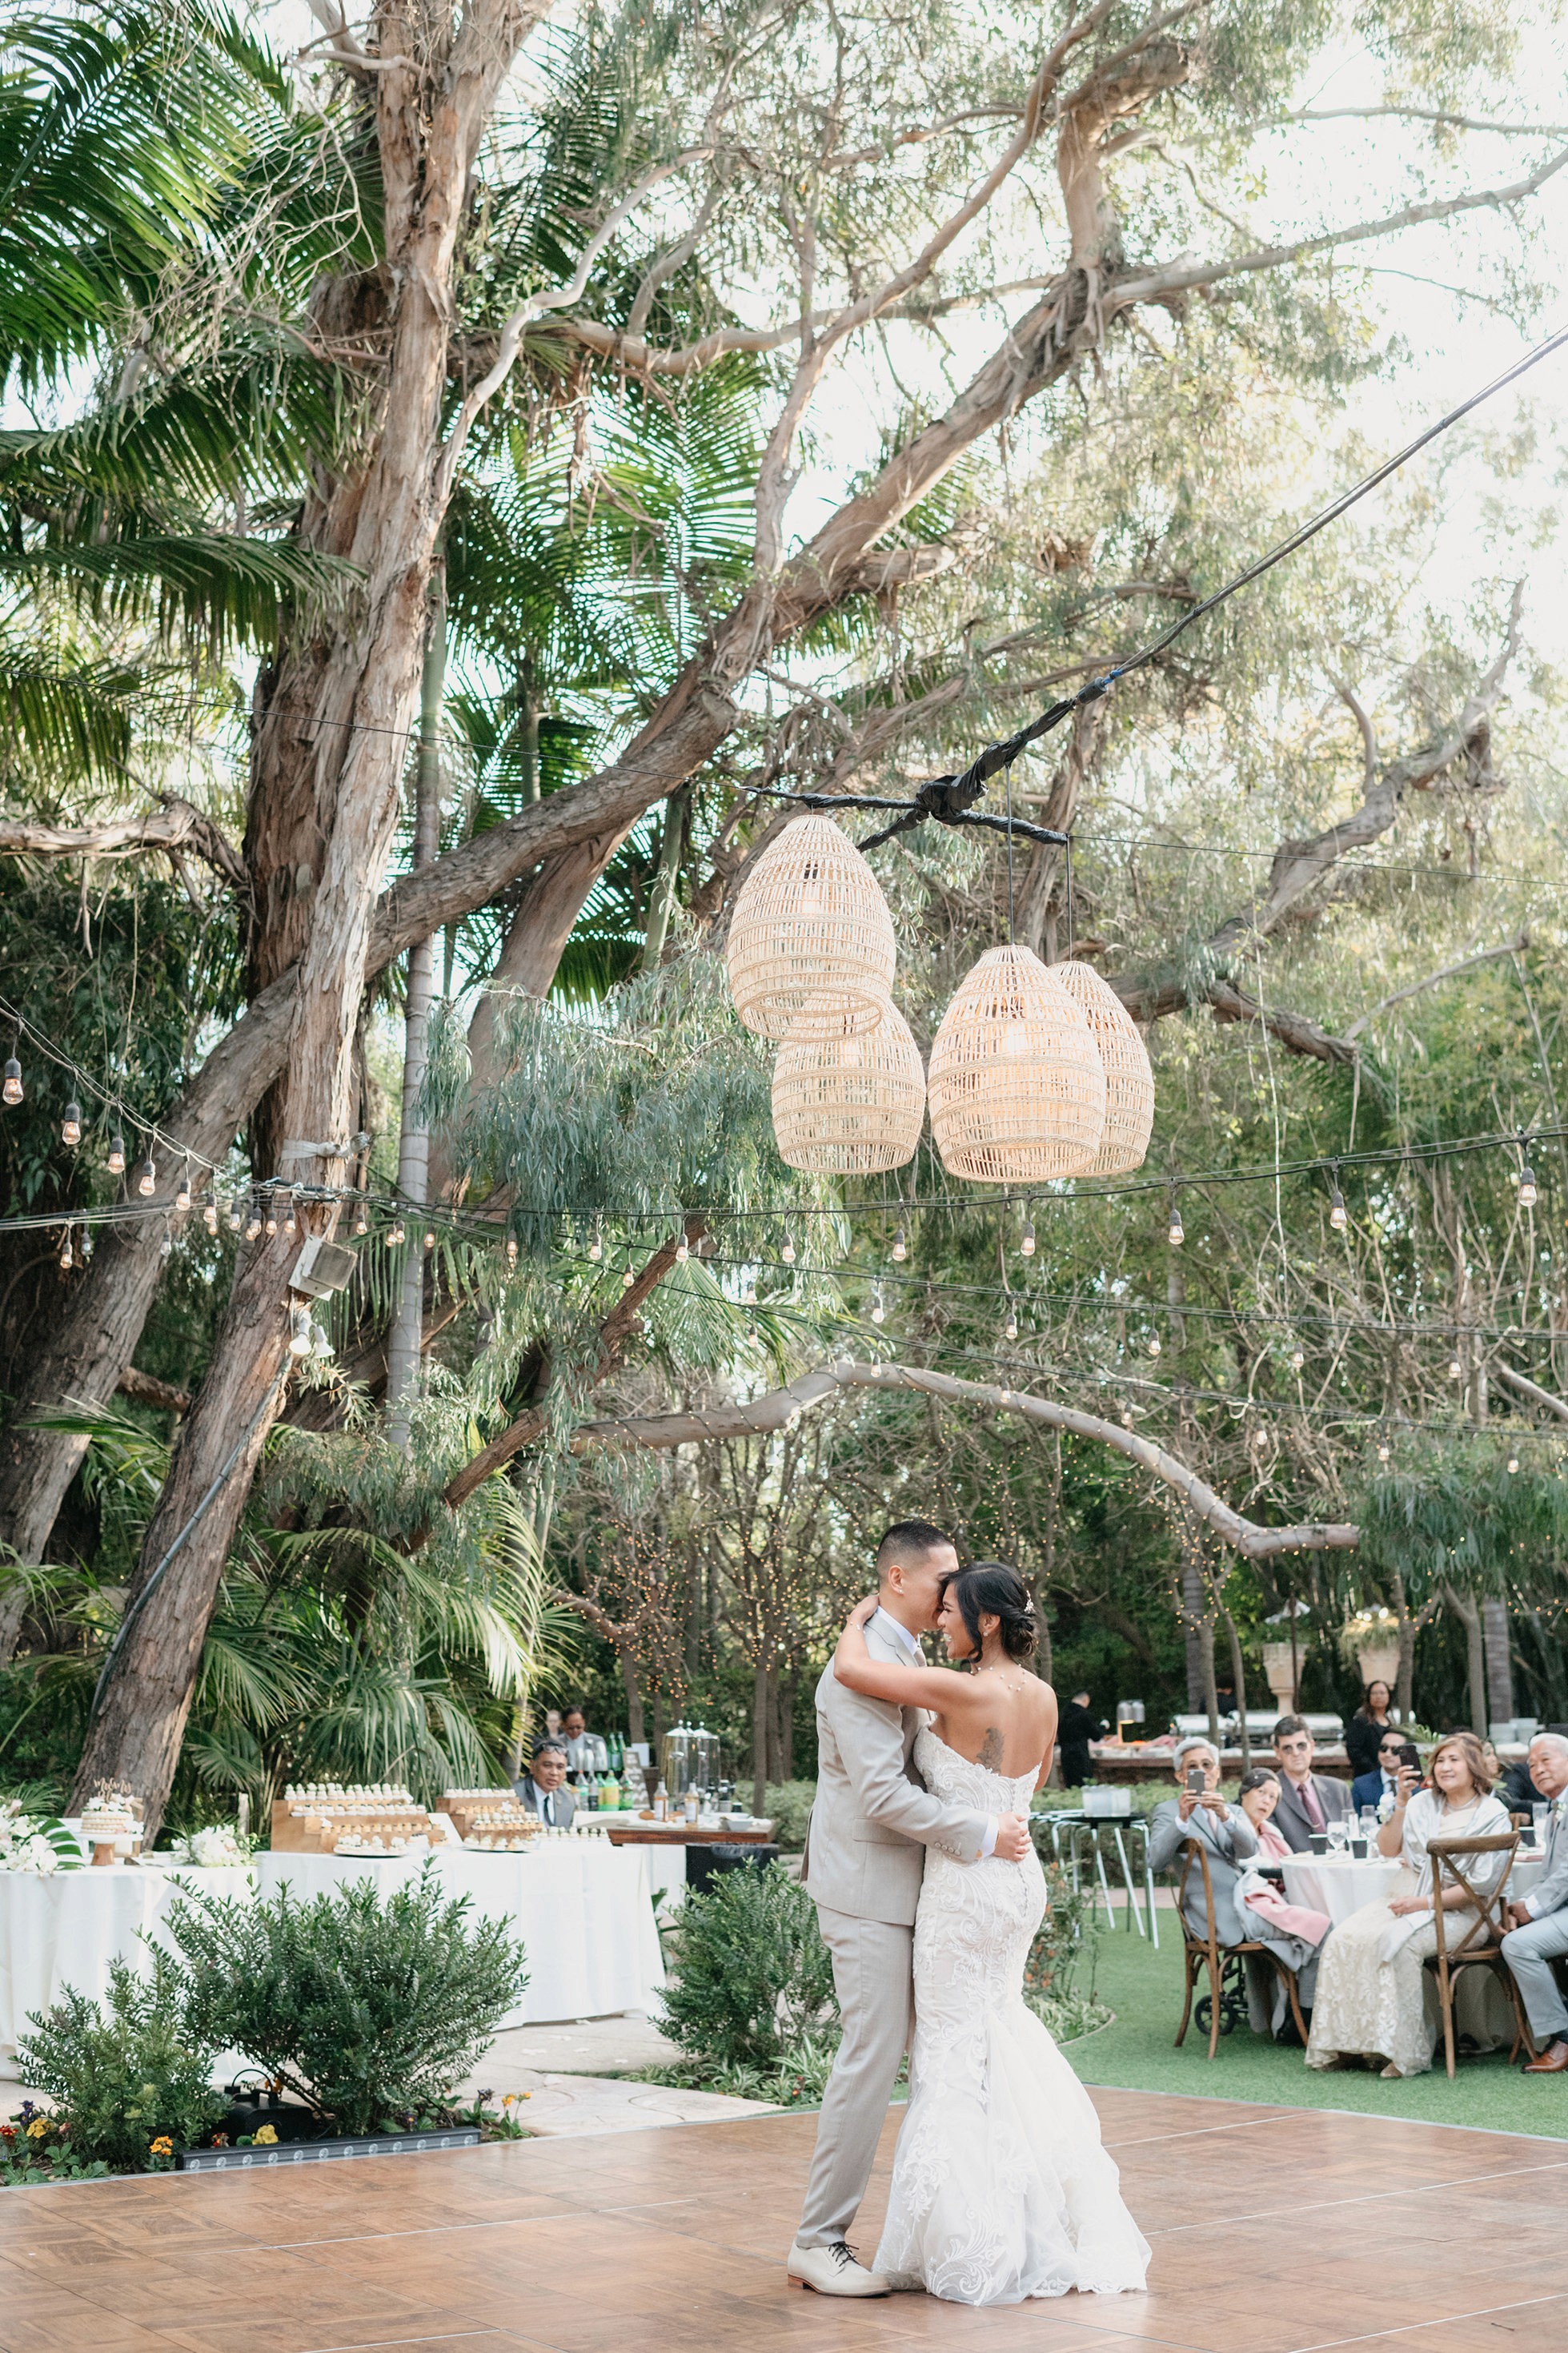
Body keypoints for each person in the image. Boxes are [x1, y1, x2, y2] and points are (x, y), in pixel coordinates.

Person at [817, 1560, 1149, 2306]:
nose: (940, 1619)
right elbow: (1019, 1787)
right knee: (999, 2032)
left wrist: (859, 1612)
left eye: (952, 1609)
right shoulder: (1042, 1695)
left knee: (952, 2056)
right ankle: (1038, 2222)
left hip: (964, 1887)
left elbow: (850, 1668)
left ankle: (975, 2242)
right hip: (1015, 1879)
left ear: (987, 1621)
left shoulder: (963, 1689)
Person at [788, 1524, 1035, 2300]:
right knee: (873, 2053)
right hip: (866, 1885)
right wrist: (982, 1831)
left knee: (945, 2055)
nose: (954, 1592)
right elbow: (882, 1794)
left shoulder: (907, 1657)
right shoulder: (853, 1672)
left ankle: (959, 2223)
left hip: (924, 1889)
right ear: (900, 1576)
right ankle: (817, 2240)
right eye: (944, 1577)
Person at [1305, 1731, 1511, 2078]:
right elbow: (1387, 1848)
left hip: (1464, 1914)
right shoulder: (1421, 1803)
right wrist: (1402, 1800)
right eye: (1440, 1760)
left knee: (1401, 1946)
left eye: (1454, 1760)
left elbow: (1480, 1888)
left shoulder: (1493, 1814)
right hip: (1406, 1893)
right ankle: (1352, 2044)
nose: (1445, 1767)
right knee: (1344, 1938)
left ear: (1474, 1767)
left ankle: (1407, 2054)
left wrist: (1423, 1903)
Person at [1232, 1767, 1332, 2027]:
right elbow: (1247, 1862)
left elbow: (1287, 1863)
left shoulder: (1269, 1831)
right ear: (1244, 1793)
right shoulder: (1233, 1823)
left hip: (1274, 1901)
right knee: (1323, 1929)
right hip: (1253, 1904)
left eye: (1274, 1797)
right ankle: (1304, 2016)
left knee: (1328, 1919)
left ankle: (1301, 2010)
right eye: (1261, 1792)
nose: (1267, 1800)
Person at [1500, 1732, 1568, 2071]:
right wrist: (1522, 1904)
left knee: (1517, 1945)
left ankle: (1564, 2038)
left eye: (1546, 1760)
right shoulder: (1557, 1809)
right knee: (1513, 1935)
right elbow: (1549, 1874)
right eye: (1531, 1765)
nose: (1538, 1770)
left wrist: (1533, 1909)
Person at [1269, 1715, 1353, 1850]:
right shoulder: (1269, 1793)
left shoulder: (1339, 1790)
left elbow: (1353, 1838)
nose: (1296, 1753)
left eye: (1301, 1746)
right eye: (1287, 1748)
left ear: (1312, 1746)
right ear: (1277, 1752)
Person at [515, 1738, 576, 1828]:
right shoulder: (515, 1797)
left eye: (560, 1767)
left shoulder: (567, 1801)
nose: (554, 1773)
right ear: (532, 1766)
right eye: (547, 1765)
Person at [1351, 1729, 1410, 1818]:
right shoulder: (1361, 1785)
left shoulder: (1415, 1785)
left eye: (1395, 1750)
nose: (1388, 1754)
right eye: (1383, 1748)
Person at [1345, 1681, 1396, 1779]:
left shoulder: (1391, 1722)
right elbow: (1354, 1750)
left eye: (1382, 1693)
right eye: (1374, 1693)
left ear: (1389, 1696)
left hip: (1390, 1776)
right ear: (1369, 1697)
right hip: (1368, 1775)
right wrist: (1375, 1770)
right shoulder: (1360, 1721)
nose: (1378, 1696)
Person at [1057, 1690, 1105, 1789]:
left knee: (1070, 1784)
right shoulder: (1083, 1714)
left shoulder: (1063, 1713)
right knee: (1083, 1784)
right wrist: (1103, 1726)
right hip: (1080, 1754)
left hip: (1065, 1754)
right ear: (1085, 1700)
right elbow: (1096, 1736)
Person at [561, 1705, 608, 1778]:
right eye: (571, 1728)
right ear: (563, 1725)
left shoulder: (597, 1741)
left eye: (579, 1727)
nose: (575, 1731)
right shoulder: (556, 1743)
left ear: (584, 1723)